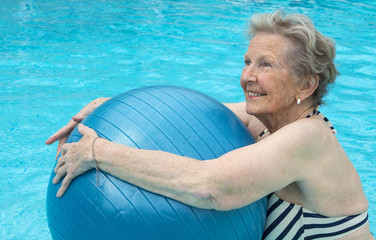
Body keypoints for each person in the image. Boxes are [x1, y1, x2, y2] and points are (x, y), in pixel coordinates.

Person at [45, 11, 373, 240]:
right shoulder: (264, 121)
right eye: (247, 62)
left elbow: (212, 189)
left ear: (305, 87)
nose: (249, 76)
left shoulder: (308, 139)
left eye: (267, 65)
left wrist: (97, 151)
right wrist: (107, 107)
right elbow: (171, 113)